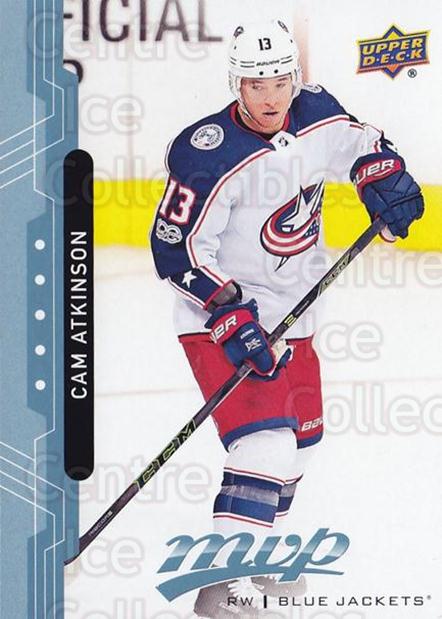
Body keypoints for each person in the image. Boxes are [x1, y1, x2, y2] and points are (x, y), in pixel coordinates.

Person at [150, 19, 424, 618]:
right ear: (236, 84)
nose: (271, 97)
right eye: (257, 85)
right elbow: (176, 251)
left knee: (302, 443)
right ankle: (224, 584)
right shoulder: (206, 154)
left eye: (279, 82)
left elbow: (363, 145)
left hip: (296, 316)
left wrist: (383, 177)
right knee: (266, 445)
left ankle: (262, 555)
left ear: (294, 79)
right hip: (220, 318)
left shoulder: (317, 111)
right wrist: (227, 314)